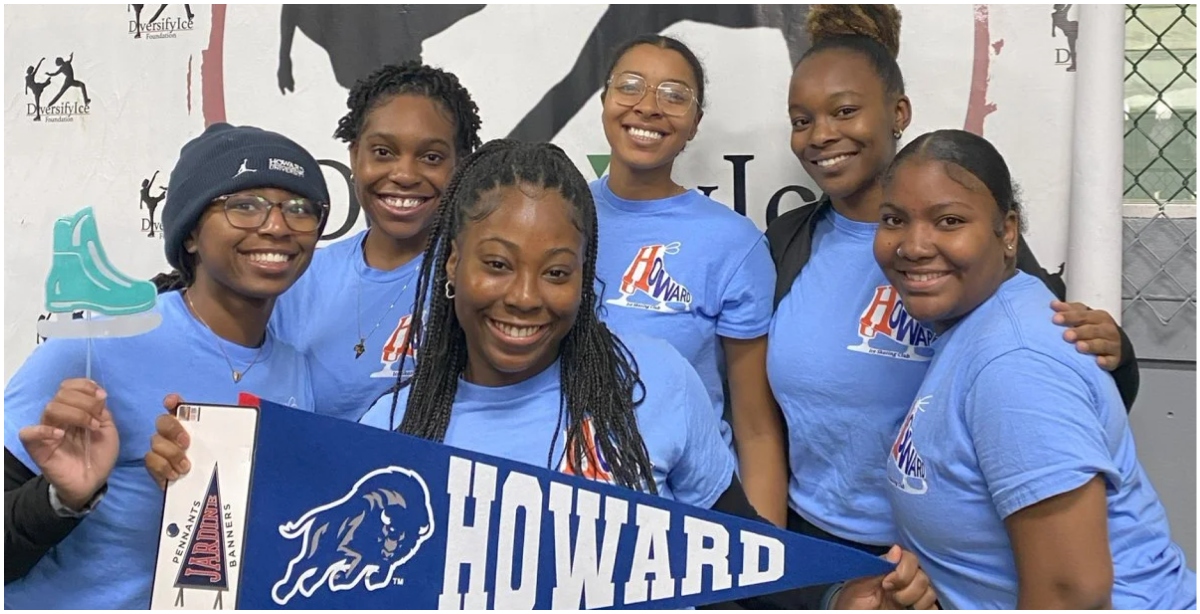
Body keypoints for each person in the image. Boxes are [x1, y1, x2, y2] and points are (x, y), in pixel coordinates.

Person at [147, 139, 938, 610]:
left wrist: (840, 595)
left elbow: (745, 564)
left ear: (586, 276)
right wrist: (201, 475)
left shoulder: (654, 386)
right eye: (497, 264)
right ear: (452, 263)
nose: (525, 298)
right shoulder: (389, 435)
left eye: (557, 272)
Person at [764, 4, 1142, 559]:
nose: (822, 135)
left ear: (898, 113)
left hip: (947, 560)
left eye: (844, 111)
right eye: (802, 120)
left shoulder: (972, 249)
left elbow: (1062, 394)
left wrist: (1118, 354)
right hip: (812, 539)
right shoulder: (785, 243)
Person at [3, 123, 329, 608]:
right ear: (192, 233)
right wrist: (60, 499)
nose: (277, 225)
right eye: (244, 205)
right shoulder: (98, 341)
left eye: (300, 208)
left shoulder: (295, 372)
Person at [875, 128, 1195, 609]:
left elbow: (1072, 594)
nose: (914, 245)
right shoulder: (978, 325)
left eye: (949, 221)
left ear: (1006, 232)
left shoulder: (1015, 363)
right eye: (894, 220)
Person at [591, 34, 788, 527]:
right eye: (630, 86)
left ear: (695, 124)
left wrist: (762, 577)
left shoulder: (733, 243)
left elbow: (756, 428)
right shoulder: (559, 217)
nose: (649, 107)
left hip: (687, 518)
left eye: (674, 95)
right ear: (604, 99)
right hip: (569, 505)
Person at [270, 62, 482, 421]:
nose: (403, 175)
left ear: (461, 165)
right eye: (383, 152)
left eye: (431, 157)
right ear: (355, 156)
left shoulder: (480, 279)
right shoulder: (300, 278)